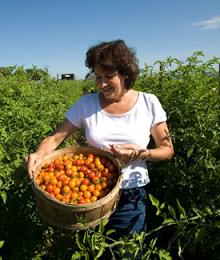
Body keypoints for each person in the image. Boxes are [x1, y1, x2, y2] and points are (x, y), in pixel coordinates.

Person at [25, 39, 174, 243]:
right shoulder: (86, 104)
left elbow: (167, 150)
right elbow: (55, 138)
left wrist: (142, 153)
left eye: (109, 76)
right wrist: (39, 154)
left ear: (126, 74)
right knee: (94, 250)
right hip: (90, 194)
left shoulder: (149, 103)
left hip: (131, 194)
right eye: (98, 76)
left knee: (127, 251)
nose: (101, 84)